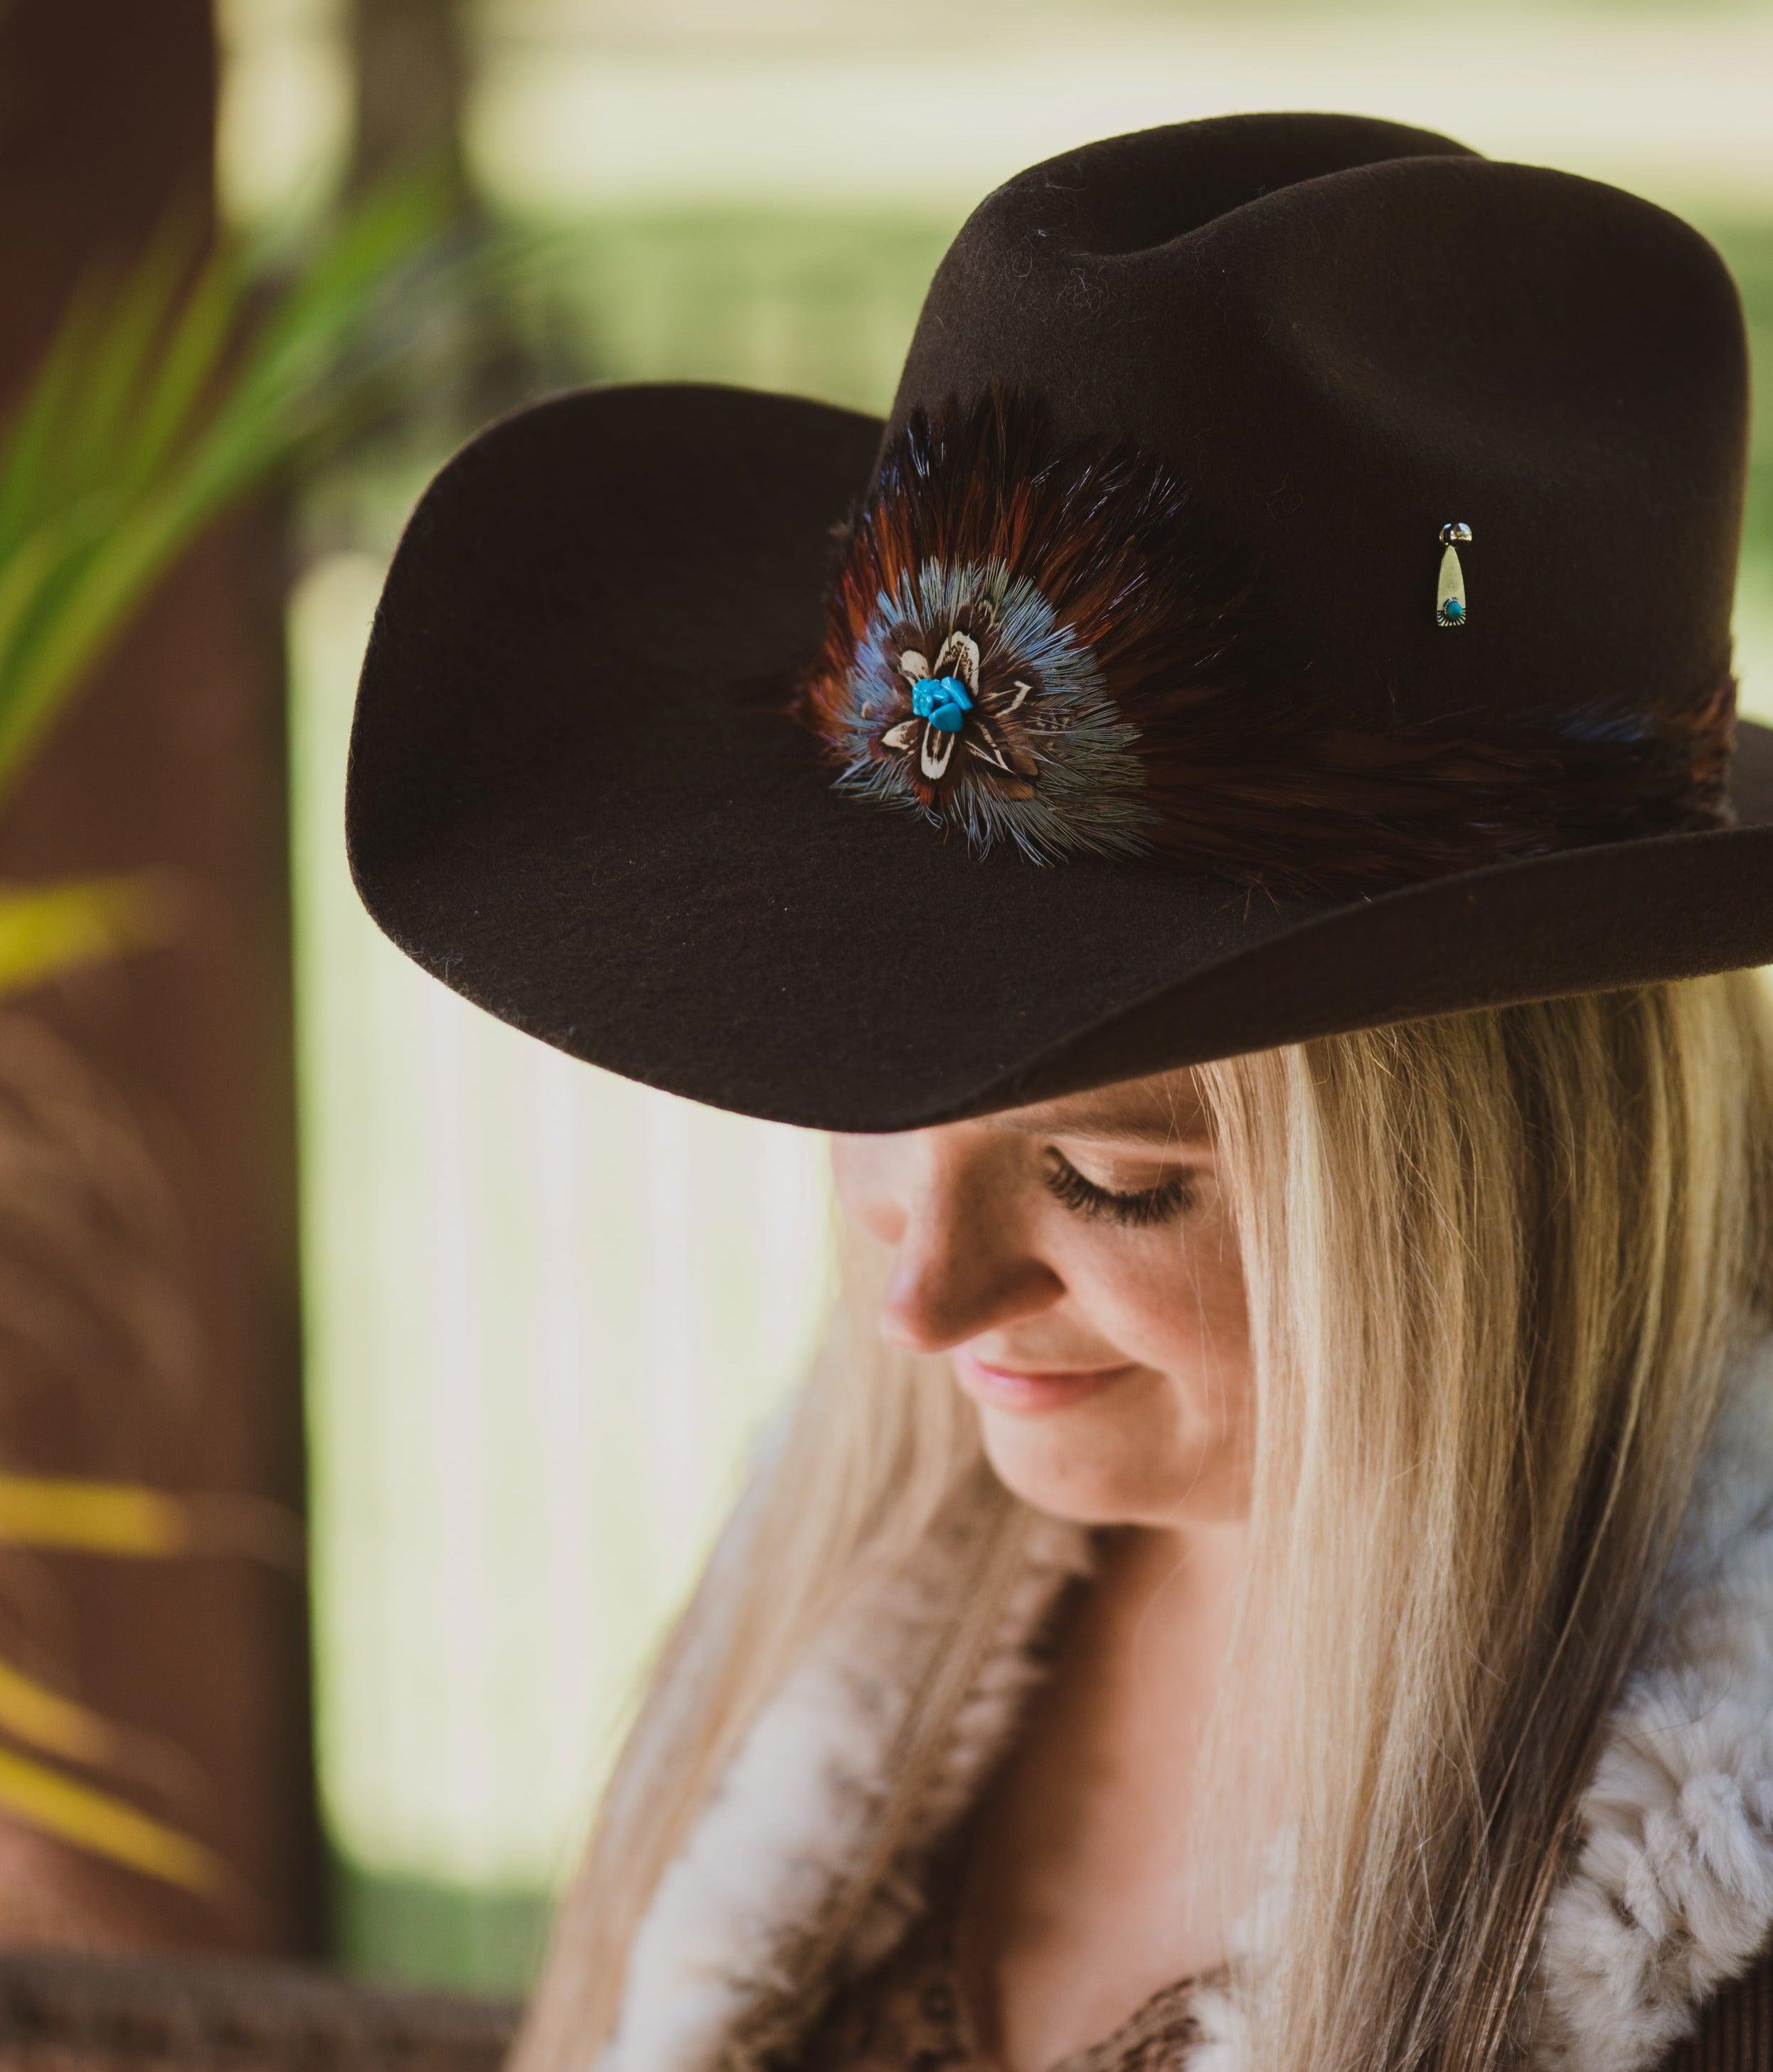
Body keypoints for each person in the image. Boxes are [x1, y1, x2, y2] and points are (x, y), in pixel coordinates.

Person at [344, 112, 1773, 2072]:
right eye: (876, 1083)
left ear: (1489, 1200)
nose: (919, 1298)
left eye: (1111, 1178)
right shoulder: (857, 1594)